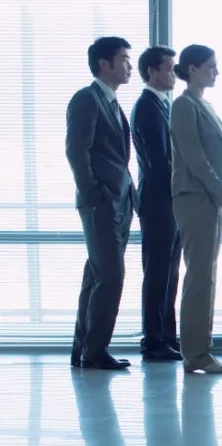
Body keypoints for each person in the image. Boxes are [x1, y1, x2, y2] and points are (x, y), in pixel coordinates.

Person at [65, 36, 137, 370]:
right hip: (102, 203)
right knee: (110, 277)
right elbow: (76, 150)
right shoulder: (87, 99)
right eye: (124, 59)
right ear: (103, 64)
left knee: (96, 276)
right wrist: (94, 195)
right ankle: (95, 351)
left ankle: (84, 350)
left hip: (120, 203)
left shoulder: (111, 102)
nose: (129, 66)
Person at [170, 44, 222, 374]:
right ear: (193, 69)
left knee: (206, 275)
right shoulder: (183, 105)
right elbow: (195, 158)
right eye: (211, 66)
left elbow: (218, 156)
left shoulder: (203, 105)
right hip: (195, 197)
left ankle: (199, 351)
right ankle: (196, 353)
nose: (216, 72)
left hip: (208, 198)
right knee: (200, 277)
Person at [131, 45, 183, 362]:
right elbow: (159, 162)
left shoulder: (161, 105)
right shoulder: (148, 107)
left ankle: (166, 337)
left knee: (169, 273)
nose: (174, 74)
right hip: (158, 202)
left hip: (167, 201)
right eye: (169, 68)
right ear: (152, 71)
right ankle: (153, 341)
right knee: (158, 273)